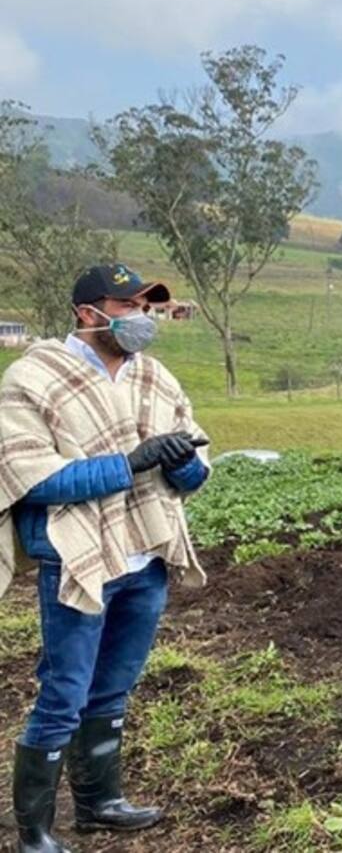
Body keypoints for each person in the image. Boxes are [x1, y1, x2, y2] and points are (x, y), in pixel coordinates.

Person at [0, 264, 211, 853]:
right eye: (130, 306)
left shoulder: (154, 378)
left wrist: (178, 463)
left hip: (145, 556)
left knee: (114, 687)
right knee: (64, 691)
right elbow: (31, 479)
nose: (144, 318)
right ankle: (34, 833)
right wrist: (133, 461)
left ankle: (99, 804)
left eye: (149, 306)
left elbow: (194, 474)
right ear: (89, 314)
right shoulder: (33, 379)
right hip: (79, 558)